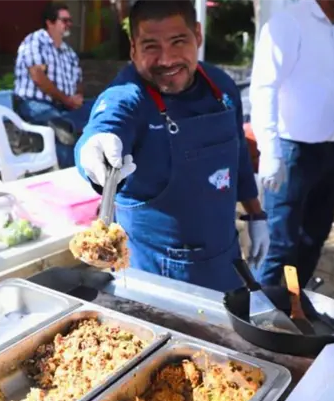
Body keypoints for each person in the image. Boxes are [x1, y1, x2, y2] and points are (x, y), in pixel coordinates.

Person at [73, 0, 269, 293]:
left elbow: (237, 154)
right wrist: (93, 149)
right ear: (133, 49)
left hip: (224, 259)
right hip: (155, 275)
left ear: (198, 36)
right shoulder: (128, 95)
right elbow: (103, 127)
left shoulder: (222, 86)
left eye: (179, 42)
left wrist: (255, 215)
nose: (166, 59)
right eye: (151, 46)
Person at [249, 0, 334, 288]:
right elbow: (263, 89)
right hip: (291, 152)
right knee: (279, 245)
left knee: (313, 240)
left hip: (332, 151)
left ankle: (292, 307)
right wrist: (270, 153)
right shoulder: (288, 24)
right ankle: (256, 318)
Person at [14, 2, 89, 168]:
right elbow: (38, 77)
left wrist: (77, 96)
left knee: (100, 106)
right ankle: (67, 127)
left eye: (69, 20)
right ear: (50, 22)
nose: (69, 24)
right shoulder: (35, 41)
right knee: (59, 129)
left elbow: (78, 80)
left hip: (64, 106)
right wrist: (67, 100)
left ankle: (69, 124)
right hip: (35, 104)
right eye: (65, 20)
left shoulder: (68, 51)